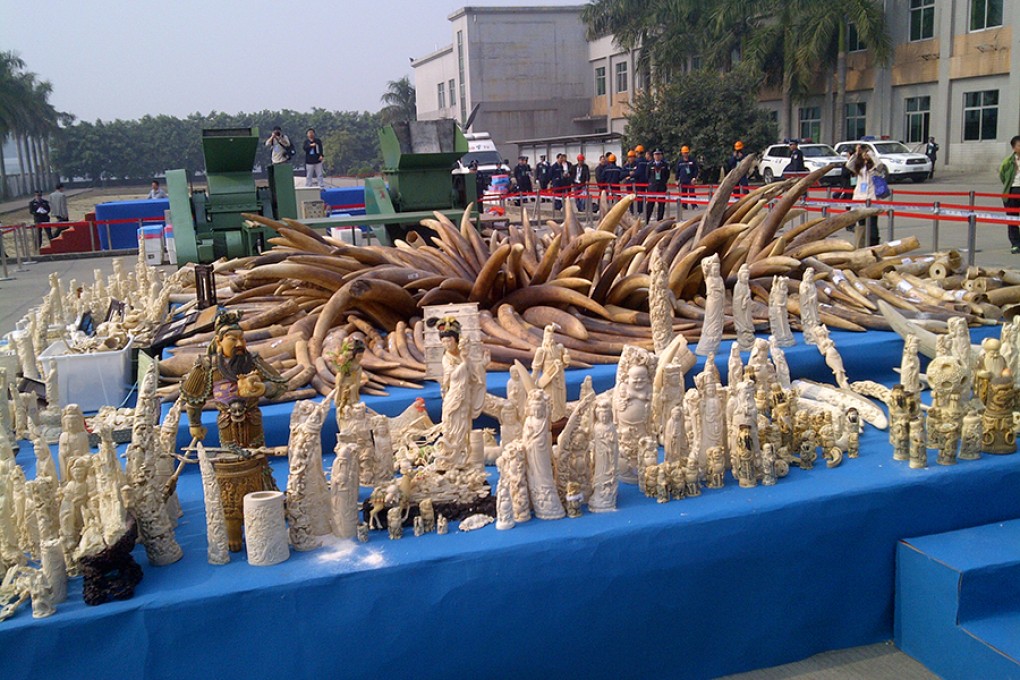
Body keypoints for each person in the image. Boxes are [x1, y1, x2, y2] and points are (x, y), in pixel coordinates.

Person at [180, 310, 286, 448]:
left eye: (242, 338)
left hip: (252, 422)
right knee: (230, 459)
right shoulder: (207, 365)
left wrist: (264, 388)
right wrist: (195, 424)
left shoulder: (252, 361)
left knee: (257, 458)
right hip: (227, 423)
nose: (239, 344)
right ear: (219, 341)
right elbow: (193, 398)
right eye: (233, 339)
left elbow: (280, 385)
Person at [846, 144, 888, 247]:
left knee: (872, 223)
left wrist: (870, 154)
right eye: (863, 153)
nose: (865, 155)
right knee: (861, 223)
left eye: (866, 153)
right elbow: (848, 165)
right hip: (859, 198)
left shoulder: (873, 166)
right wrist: (856, 153)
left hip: (871, 197)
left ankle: (873, 244)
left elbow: (880, 164)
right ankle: (861, 244)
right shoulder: (859, 166)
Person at [998, 135, 1020, 253]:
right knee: (1012, 219)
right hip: (1012, 191)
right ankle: (1015, 243)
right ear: (1014, 148)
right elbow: (1002, 174)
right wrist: (1008, 185)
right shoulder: (1008, 161)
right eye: (1019, 145)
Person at [645, 149, 670, 221]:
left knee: (661, 205)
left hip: (661, 187)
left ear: (661, 155)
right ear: (653, 156)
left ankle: (660, 220)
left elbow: (667, 175)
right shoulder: (650, 165)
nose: (657, 156)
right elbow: (647, 175)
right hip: (652, 187)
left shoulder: (665, 165)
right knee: (650, 205)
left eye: (659, 154)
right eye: (656, 154)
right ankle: (646, 220)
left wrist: (663, 182)